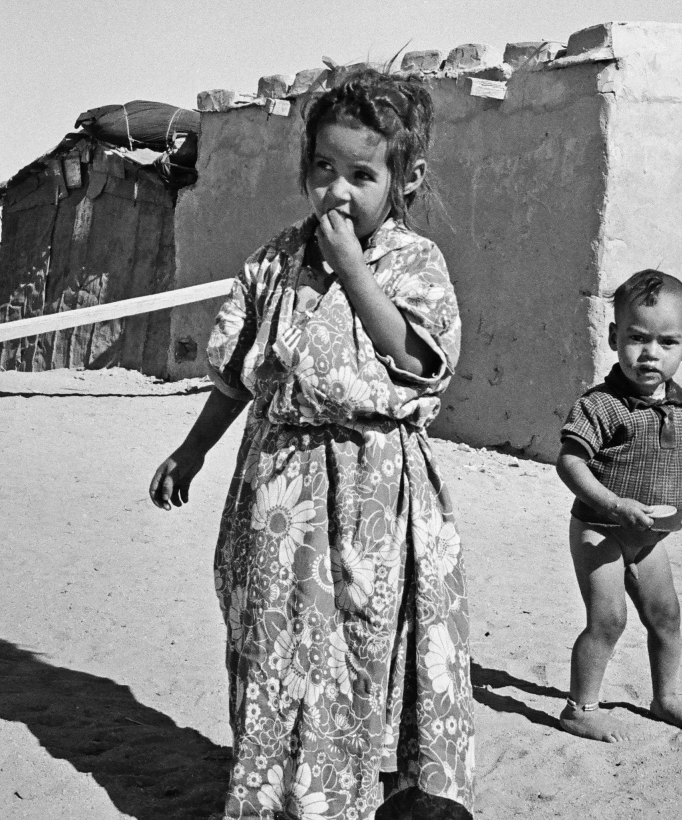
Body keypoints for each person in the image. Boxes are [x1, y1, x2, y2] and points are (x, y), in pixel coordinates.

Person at [150, 68, 474, 819]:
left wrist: (355, 270)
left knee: (364, 646)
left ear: (405, 178)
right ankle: (283, 799)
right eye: (324, 168)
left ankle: (363, 798)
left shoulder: (415, 263)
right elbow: (237, 375)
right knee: (277, 645)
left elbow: (416, 359)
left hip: (375, 492)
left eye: (362, 175)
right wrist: (192, 451)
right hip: (279, 489)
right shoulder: (276, 261)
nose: (338, 190)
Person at [556, 269, 682, 743]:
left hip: (648, 534)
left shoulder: (680, 404)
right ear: (613, 337)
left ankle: (664, 697)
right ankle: (579, 709)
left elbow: (676, 447)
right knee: (609, 619)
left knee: (666, 615)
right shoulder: (601, 405)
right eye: (637, 338)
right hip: (600, 527)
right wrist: (611, 504)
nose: (650, 353)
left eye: (667, 342)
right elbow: (569, 462)